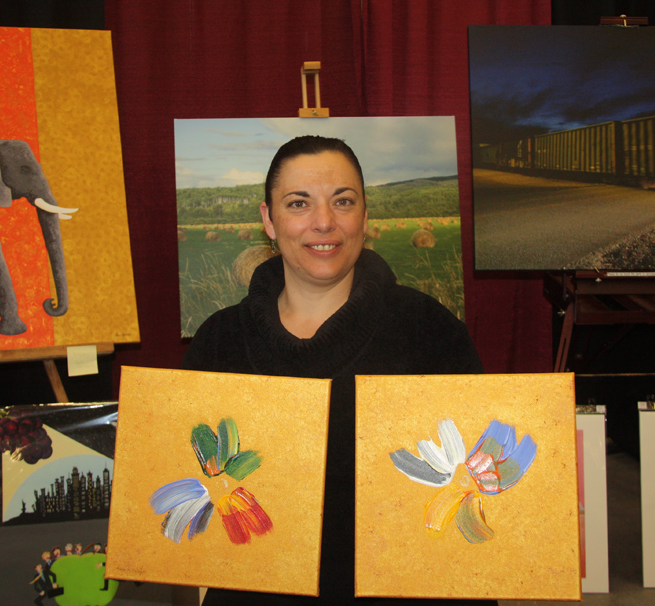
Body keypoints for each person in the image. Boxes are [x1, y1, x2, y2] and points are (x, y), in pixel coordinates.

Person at [183, 135, 487, 605]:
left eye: (342, 201)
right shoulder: (218, 341)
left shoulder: (429, 331)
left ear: (364, 216)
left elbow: (475, 492)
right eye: (298, 203)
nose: (324, 221)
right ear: (269, 220)